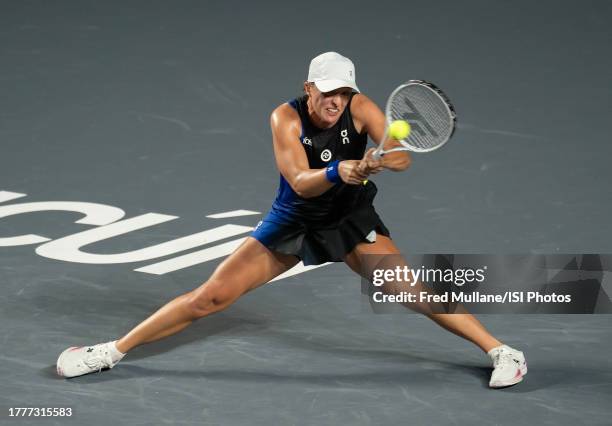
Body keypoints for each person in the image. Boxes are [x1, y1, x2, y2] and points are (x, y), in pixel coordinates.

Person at [56, 52, 527, 388]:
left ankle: (502, 351)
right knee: (210, 297)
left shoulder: (362, 109)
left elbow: (403, 156)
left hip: (347, 218)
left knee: (408, 290)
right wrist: (339, 169)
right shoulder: (285, 118)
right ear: (308, 89)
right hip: (294, 220)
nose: (335, 101)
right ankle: (111, 352)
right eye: (326, 93)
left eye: (343, 92)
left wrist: (380, 161)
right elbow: (300, 182)